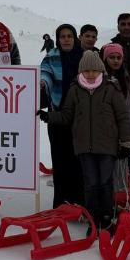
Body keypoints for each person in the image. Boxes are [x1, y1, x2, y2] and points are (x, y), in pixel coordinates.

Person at [41, 50, 130, 231]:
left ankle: (107, 218)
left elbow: (123, 116)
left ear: (100, 71)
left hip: (107, 146)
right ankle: (94, 218)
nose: (90, 75)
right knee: (91, 183)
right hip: (84, 147)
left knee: (105, 183)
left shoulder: (111, 89)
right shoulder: (75, 90)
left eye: (94, 71)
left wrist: (126, 142)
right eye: (87, 71)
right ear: (81, 72)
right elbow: (67, 115)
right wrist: (49, 116)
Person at [39, 24, 86, 208]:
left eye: (69, 36)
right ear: (57, 39)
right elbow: (46, 74)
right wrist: (43, 83)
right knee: (60, 159)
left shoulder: (84, 57)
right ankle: (61, 202)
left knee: (79, 161)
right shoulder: (51, 57)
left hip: (81, 117)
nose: (66, 39)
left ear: (75, 38)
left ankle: (80, 201)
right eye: (62, 36)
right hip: (57, 116)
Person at [101, 42, 130, 192]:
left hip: (121, 134)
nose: (116, 60)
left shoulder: (126, 79)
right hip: (103, 134)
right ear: (104, 59)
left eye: (118, 57)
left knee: (121, 170)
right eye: (112, 57)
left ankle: (119, 202)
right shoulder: (98, 79)